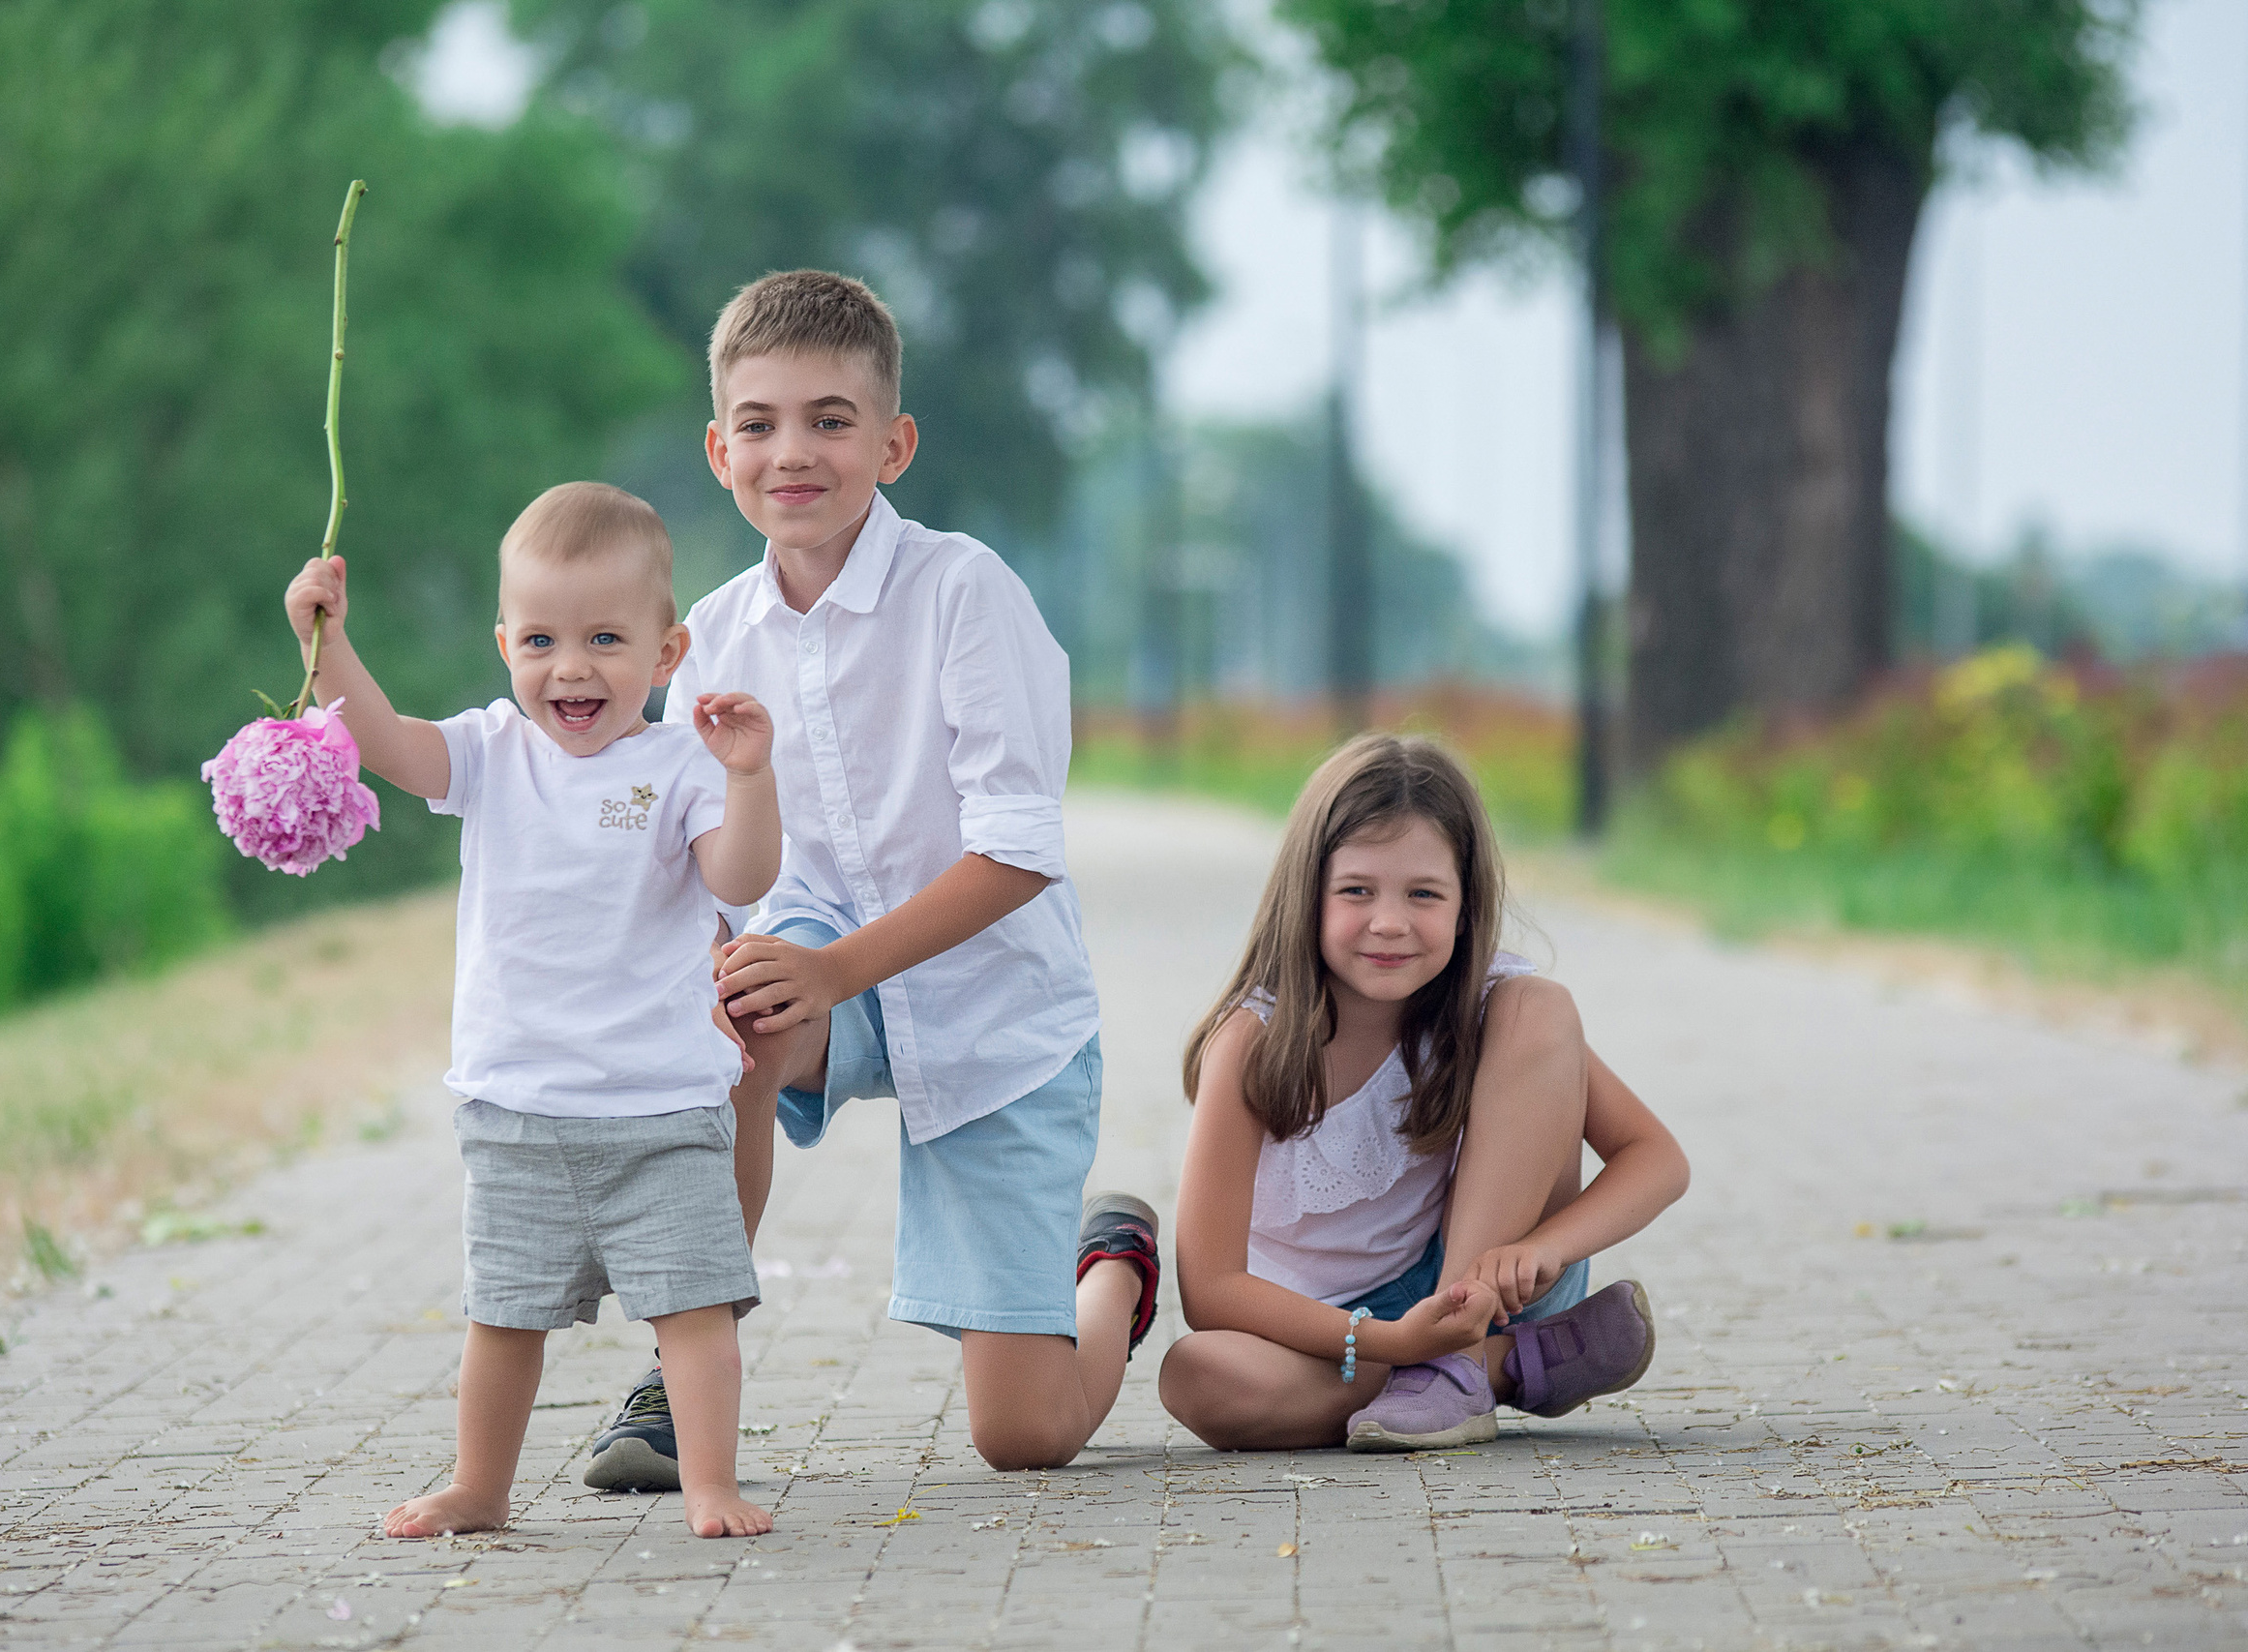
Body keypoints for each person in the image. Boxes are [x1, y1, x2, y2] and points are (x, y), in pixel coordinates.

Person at [583, 270, 1155, 1487]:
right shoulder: (710, 640)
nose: (793, 451)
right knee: (732, 1012)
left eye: (831, 421)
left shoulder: (965, 594)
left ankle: (1110, 1265)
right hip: (818, 967)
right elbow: (680, 854)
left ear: (892, 444)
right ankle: (688, 1362)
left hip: (999, 1012)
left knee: (1023, 1437)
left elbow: (1014, 855)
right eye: (760, 422)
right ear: (718, 447)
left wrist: (834, 966)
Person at [281, 481, 783, 1539]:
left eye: (606, 638)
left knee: (695, 1315)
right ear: (504, 642)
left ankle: (708, 1483)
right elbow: (379, 739)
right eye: (542, 638)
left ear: (667, 651)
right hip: (518, 1109)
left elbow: (742, 870)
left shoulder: (680, 767)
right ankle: (480, 1485)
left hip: (661, 1112)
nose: (571, 668)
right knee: (502, 1319)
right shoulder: (489, 752)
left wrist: (749, 778)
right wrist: (325, 643)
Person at [1158, 734, 1689, 1451]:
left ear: (1467, 905)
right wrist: (1391, 1339)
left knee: (1542, 1005)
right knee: (1195, 1375)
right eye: (1356, 890)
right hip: (1328, 1334)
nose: (1389, 922)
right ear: (1306, 895)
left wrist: (1543, 1248)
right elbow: (1210, 1289)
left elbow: (1657, 1157)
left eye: (1424, 894)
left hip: (1473, 1281)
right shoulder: (1252, 1043)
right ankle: (1507, 1370)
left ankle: (1456, 1366)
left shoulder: (1488, 1003)